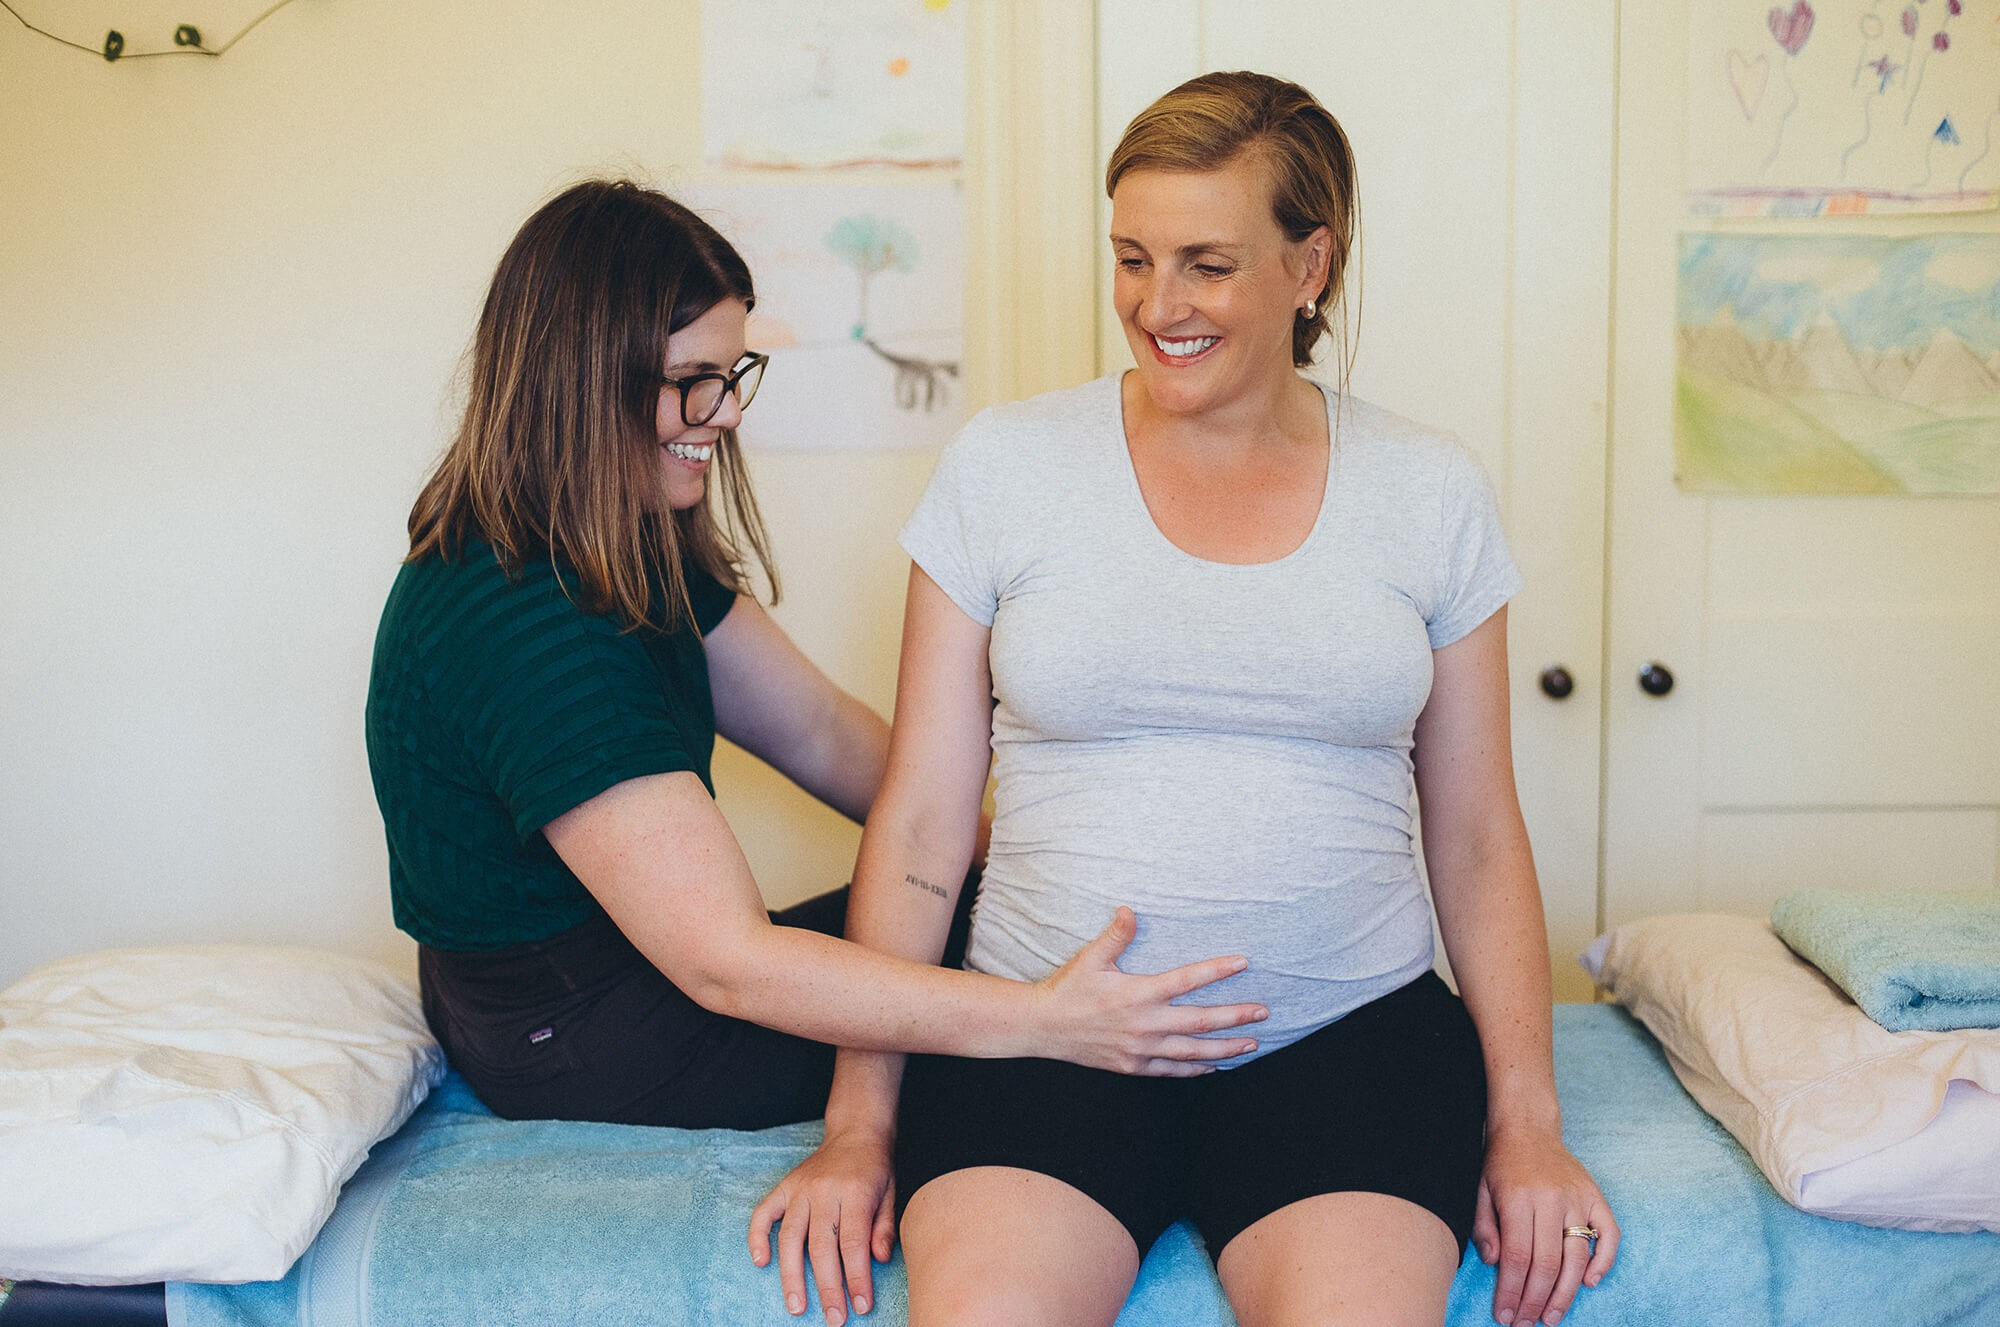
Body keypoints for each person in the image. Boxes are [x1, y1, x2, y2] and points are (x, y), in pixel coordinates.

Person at [753, 74, 1619, 1327]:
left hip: (1346, 1040)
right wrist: (855, 1124)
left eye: (1205, 263)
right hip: (1037, 1032)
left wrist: (1527, 1127)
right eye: (1131, 259)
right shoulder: (1006, 467)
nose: (1157, 308)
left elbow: (1477, 834)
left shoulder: (1427, 492)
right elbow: (926, 820)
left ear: (1306, 264)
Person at [362, 181, 1267, 1159]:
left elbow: (821, 735)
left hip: (625, 974)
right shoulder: (524, 614)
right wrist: (1044, 1017)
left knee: (1010, 916)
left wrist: (1029, 862)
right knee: (1034, 1007)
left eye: (733, 371)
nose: (724, 414)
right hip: (576, 1034)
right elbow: (727, 965)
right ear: (583, 374)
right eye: (693, 378)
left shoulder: (618, 541)